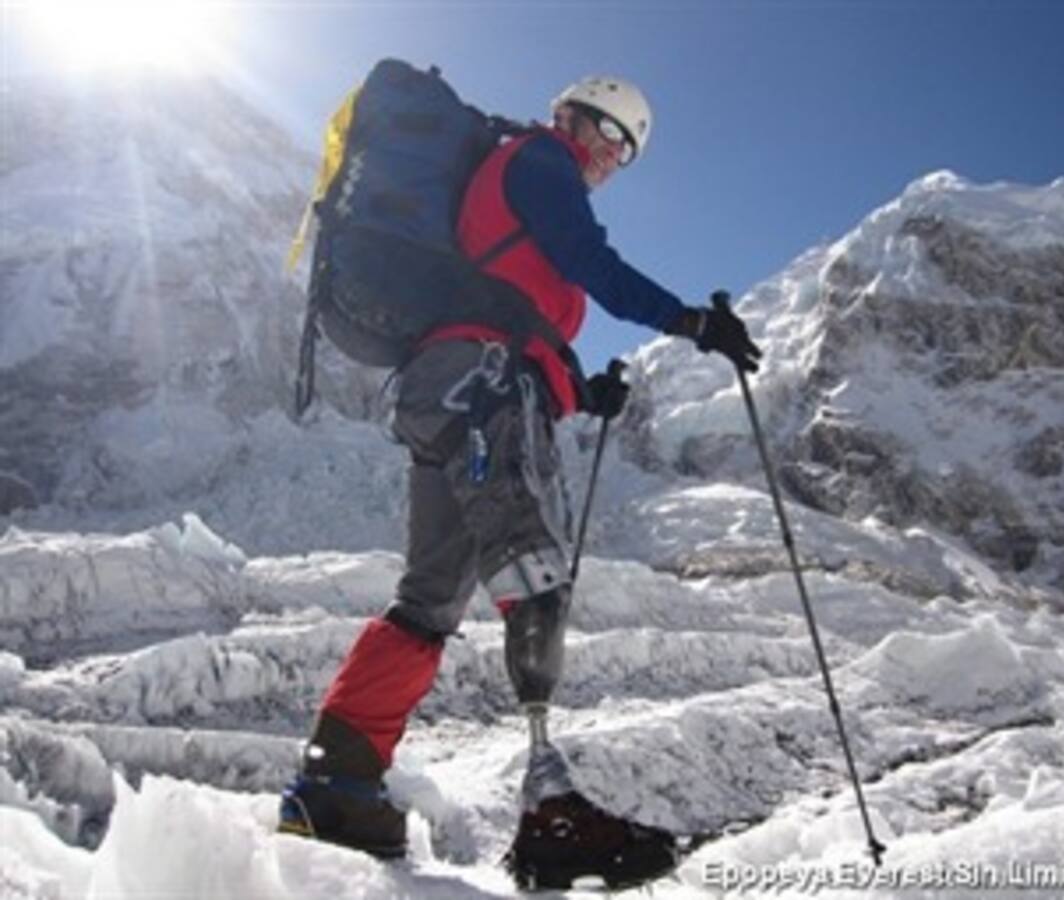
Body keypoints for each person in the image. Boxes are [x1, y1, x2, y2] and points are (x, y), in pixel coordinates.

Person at [278, 75, 761, 859]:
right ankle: (552, 823)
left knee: (429, 602)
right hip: (485, 383)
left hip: (453, 385)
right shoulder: (541, 160)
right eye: (611, 141)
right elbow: (589, 262)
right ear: (578, 120)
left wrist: (575, 383)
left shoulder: (514, 177)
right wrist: (694, 322)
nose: (611, 161)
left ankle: (335, 790)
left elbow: (509, 297)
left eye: (624, 155)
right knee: (531, 566)